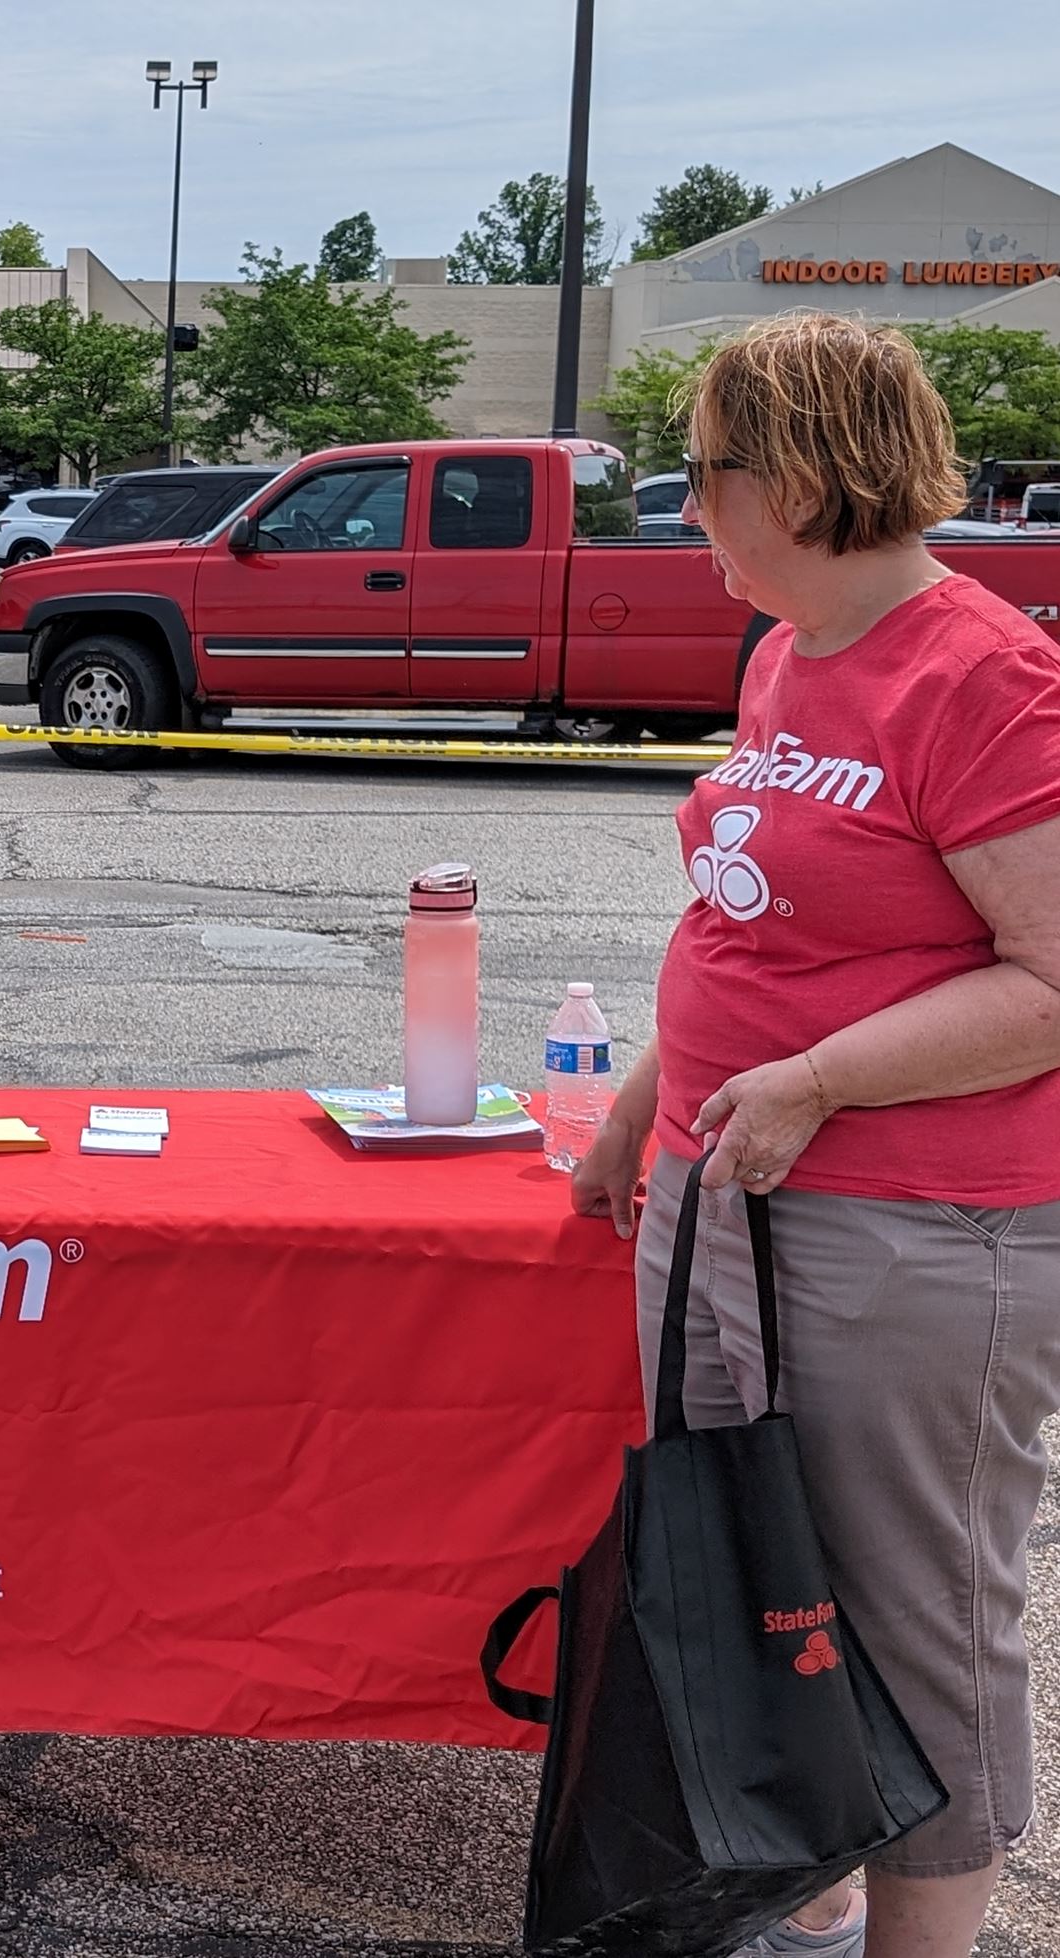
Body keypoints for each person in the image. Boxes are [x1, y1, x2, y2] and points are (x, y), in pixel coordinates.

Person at [571, 312, 1060, 1958]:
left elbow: (1053, 978)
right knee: (759, 1570)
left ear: (795, 474)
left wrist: (818, 1081)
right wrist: (647, 1104)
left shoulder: (984, 674)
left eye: (701, 480)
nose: (685, 516)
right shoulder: (790, 648)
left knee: (917, 1617)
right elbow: (758, 936)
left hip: (914, 1228)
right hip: (738, 1198)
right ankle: (809, 1879)